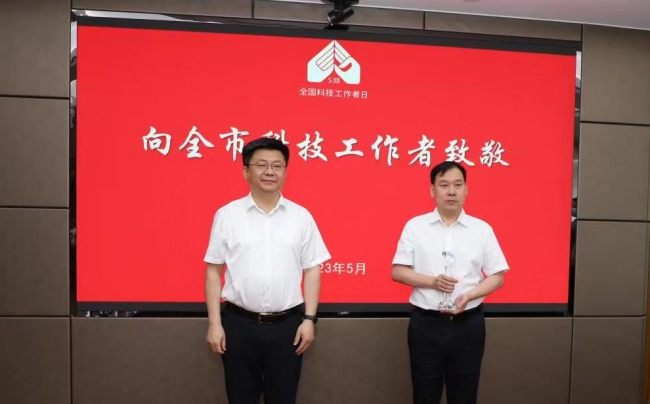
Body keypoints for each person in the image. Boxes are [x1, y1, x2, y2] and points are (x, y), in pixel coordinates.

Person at [204, 137, 330, 404]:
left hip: (288, 328)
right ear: (245, 171)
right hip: (238, 325)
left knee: (283, 398)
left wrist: (309, 320)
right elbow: (213, 271)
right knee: (240, 397)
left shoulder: (301, 217)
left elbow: (312, 270)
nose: (270, 172)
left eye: (277, 165)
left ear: (285, 171)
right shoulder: (227, 215)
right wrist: (215, 324)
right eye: (261, 165)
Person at [391, 161, 509, 404]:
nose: (451, 191)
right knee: (424, 395)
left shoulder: (482, 230)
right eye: (444, 185)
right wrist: (433, 282)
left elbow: (498, 276)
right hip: (426, 325)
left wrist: (470, 296)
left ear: (467, 189)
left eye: (458, 185)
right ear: (432, 190)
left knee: (465, 396)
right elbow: (398, 271)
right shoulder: (415, 227)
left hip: (468, 325)